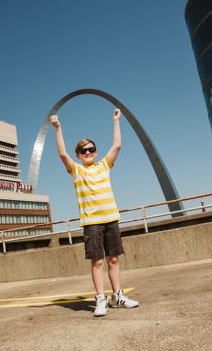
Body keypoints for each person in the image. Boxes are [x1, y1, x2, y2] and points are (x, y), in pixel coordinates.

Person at [50, 109, 139, 317]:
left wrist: (116, 121)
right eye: (83, 151)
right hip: (92, 222)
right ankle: (100, 299)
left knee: (114, 259)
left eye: (91, 149)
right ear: (78, 156)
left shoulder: (104, 166)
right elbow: (62, 154)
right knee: (97, 261)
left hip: (111, 218)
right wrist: (58, 128)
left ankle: (118, 296)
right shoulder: (77, 171)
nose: (88, 152)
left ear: (96, 152)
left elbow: (117, 145)